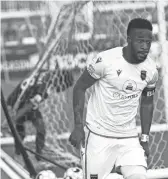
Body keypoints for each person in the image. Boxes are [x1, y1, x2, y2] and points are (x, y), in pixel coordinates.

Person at [69, 18, 158, 179]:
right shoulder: (105, 60)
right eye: (140, 41)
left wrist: (144, 138)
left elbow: (147, 102)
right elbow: (79, 88)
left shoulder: (151, 69)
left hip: (129, 138)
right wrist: (77, 126)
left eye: (148, 42)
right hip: (98, 136)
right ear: (129, 39)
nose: (145, 47)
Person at [7, 68, 74, 161]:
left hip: (24, 104)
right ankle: (18, 154)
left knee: (40, 130)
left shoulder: (42, 75)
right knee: (22, 133)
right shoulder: (45, 85)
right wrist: (14, 117)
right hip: (21, 107)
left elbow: (30, 96)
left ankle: (37, 155)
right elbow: (32, 102)